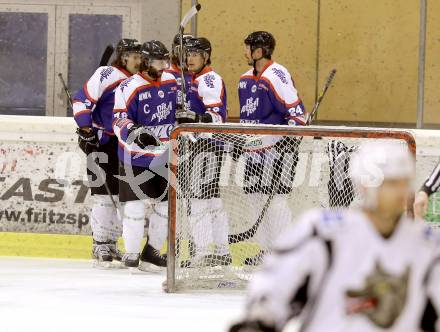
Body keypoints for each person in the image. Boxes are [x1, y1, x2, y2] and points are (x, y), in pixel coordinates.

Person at [229, 141, 440, 332]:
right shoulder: (322, 232)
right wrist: (258, 322)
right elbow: (273, 293)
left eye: (404, 183)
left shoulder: (426, 244)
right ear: (365, 185)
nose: (400, 192)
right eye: (391, 184)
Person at [237, 31, 307, 265]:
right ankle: (266, 250)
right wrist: (241, 143)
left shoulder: (276, 75)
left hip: (278, 150)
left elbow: (297, 114)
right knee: (257, 201)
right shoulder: (245, 79)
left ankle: (286, 253)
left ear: (259, 51)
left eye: (248, 48)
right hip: (253, 150)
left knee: (276, 203)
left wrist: (290, 137)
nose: (245, 52)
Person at [72, 38, 141, 266]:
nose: (139, 60)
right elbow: (81, 101)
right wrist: (86, 129)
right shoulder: (108, 74)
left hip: (125, 145)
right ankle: (100, 243)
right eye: (135, 56)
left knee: (122, 198)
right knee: (102, 196)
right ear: (123, 57)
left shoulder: (138, 80)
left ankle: (112, 242)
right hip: (101, 141)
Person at [113, 40, 177, 270]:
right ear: (147, 62)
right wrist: (135, 131)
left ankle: (152, 252)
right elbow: (119, 119)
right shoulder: (129, 86)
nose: (164, 65)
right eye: (160, 61)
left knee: (164, 205)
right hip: (135, 156)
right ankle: (130, 254)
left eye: (165, 60)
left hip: (164, 154)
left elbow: (180, 111)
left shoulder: (172, 81)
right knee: (135, 205)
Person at [175, 37, 231, 267]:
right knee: (212, 201)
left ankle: (202, 252)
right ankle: (221, 250)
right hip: (201, 146)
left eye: (195, 54)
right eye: (188, 54)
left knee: (198, 201)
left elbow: (217, 116)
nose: (189, 58)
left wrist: (195, 118)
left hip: (206, 147)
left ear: (206, 56)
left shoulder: (209, 79)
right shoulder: (193, 80)